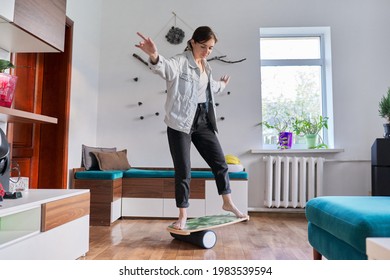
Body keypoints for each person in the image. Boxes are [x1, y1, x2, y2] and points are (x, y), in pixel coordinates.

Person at [135, 26, 247, 230]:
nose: (207, 52)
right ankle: (183, 215)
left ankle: (227, 202)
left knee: (220, 163)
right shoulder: (180, 62)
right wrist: (154, 55)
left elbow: (209, 87)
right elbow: (165, 68)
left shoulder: (205, 65)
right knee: (184, 170)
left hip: (203, 120)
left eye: (211, 48)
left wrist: (222, 85)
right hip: (180, 123)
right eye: (203, 46)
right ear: (193, 42)